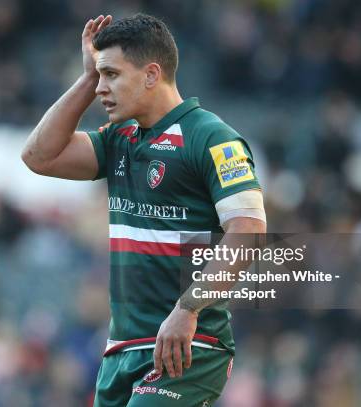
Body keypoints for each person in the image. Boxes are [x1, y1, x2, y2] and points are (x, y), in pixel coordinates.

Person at [22, 13, 266, 406]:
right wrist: (86, 80)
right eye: (99, 77)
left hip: (189, 344)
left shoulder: (212, 138)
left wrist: (188, 307)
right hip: (122, 349)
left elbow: (249, 232)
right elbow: (38, 155)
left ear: (152, 74)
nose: (102, 88)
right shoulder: (118, 138)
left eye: (112, 75)